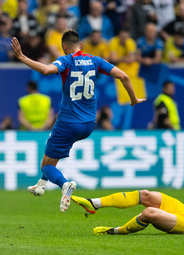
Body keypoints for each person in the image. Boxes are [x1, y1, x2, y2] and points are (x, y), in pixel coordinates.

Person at [11, 30, 145, 212]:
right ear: (81, 45)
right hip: (89, 124)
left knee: (46, 164)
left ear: (64, 47)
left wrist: (21, 57)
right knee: (52, 155)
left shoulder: (66, 60)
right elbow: (125, 76)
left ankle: (65, 185)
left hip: (68, 122)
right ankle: (41, 184)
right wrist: (134, 99)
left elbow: (45, 70)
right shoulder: (95, 60)